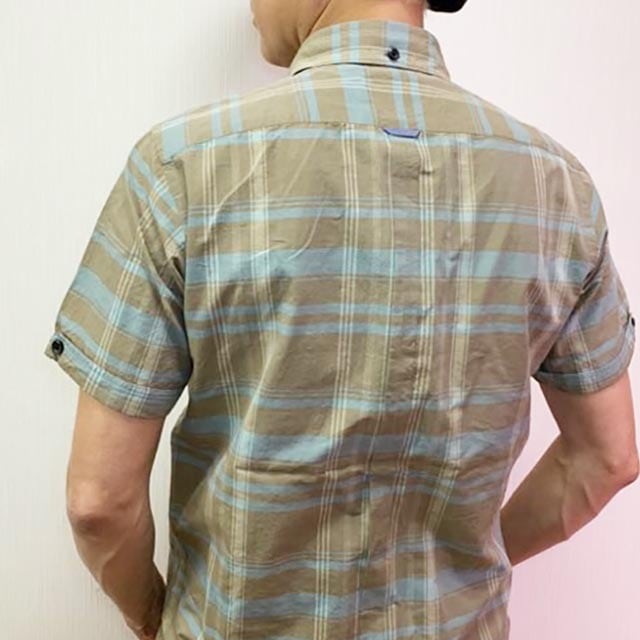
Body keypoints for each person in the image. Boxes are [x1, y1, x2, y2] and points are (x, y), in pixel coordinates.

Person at [43, 0, 638, 638]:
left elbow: (99, 502)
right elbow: (606, 459)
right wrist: (467, 573)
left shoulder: (181, 167)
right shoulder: (557, 185)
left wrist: (152, 618)